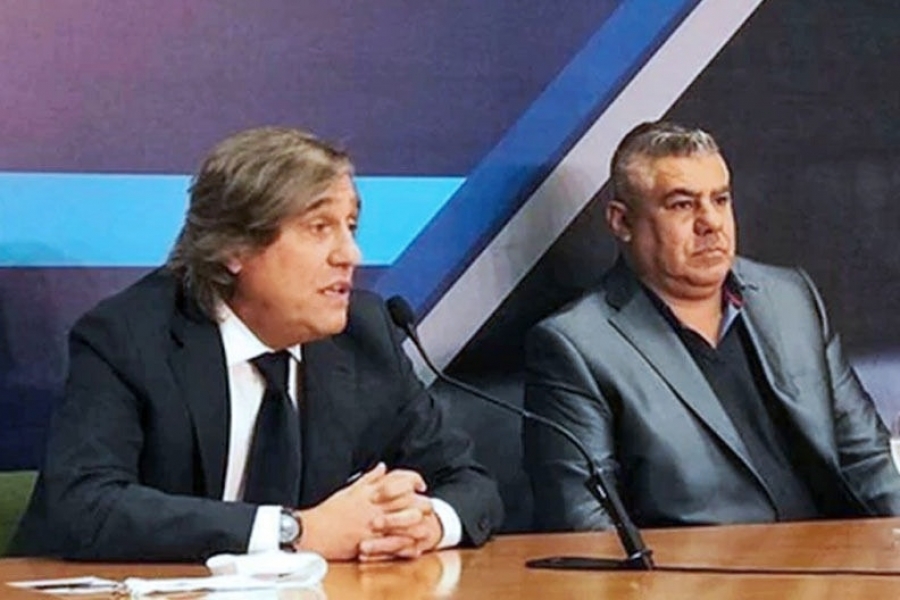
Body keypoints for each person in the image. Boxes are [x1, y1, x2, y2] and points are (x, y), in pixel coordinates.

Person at [13, 126, 503, 561]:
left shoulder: (365, 333)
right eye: (319, 228)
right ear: (234, 248)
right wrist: (293, 531)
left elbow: (469, 482)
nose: (350, 254)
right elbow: (86, 506)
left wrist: (426, 522)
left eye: (351, 227)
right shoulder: (129, 337)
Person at [524, 120, 900, 531]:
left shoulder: (790, 297)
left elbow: (866, 459)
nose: (711, 222)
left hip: (838, 561)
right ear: (622, 222)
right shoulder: (577, 345)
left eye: (720, 200)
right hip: (701, 567)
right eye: (681, 205)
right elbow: (584, 528)